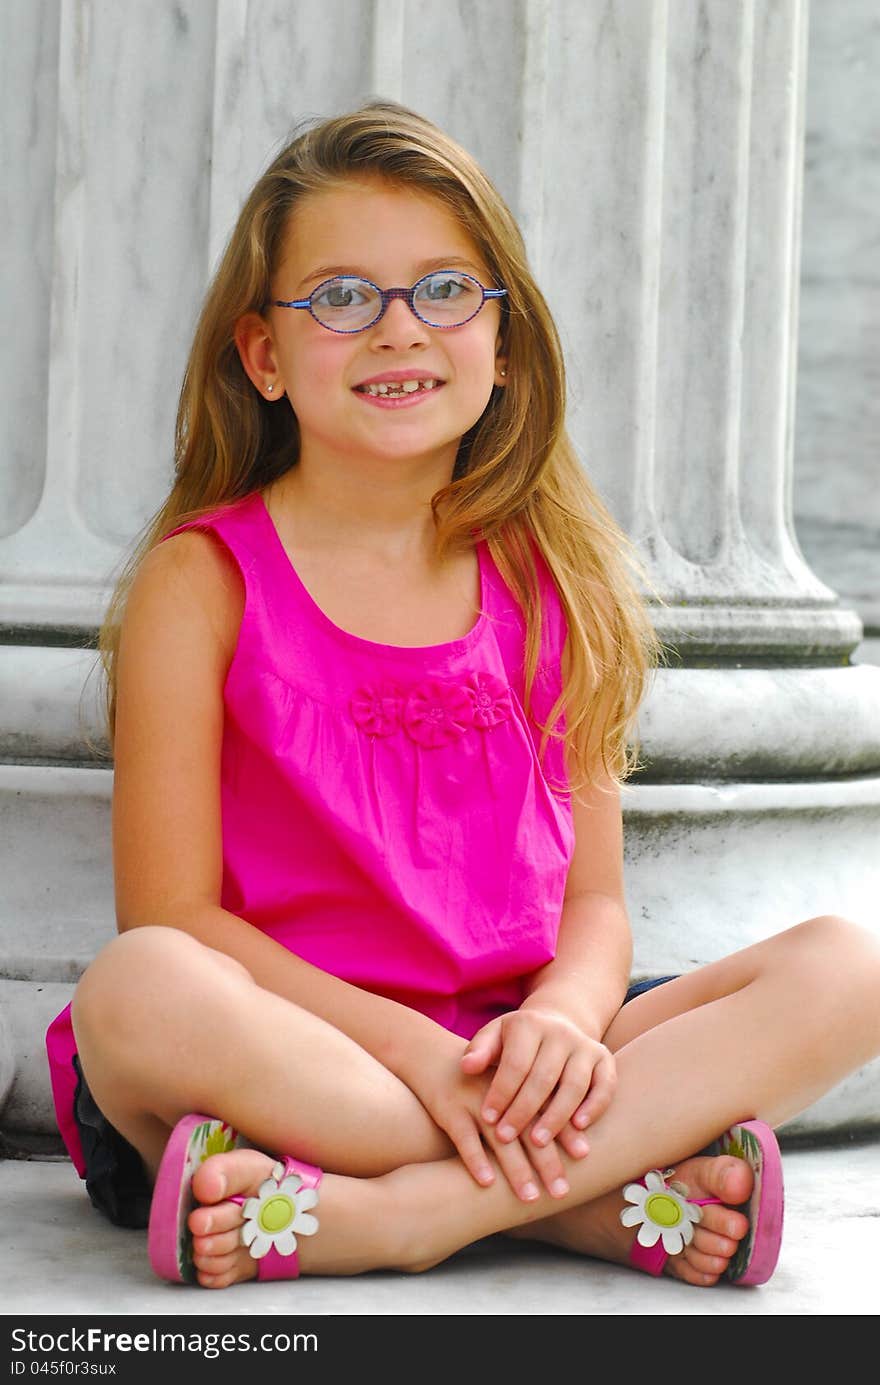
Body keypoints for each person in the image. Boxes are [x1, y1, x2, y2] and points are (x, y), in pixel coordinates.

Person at [46, 100, 880, 1292]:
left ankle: (401, 1216)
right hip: (302, 1051)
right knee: (137, 990)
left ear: (503, 343)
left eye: (443, 290)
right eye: (340, 296)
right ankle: (581, 1200)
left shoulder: (552, 582)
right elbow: (175, 916)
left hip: (515, 1039)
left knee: (852, 965)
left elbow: (593, 904)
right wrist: (424, 1064)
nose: (397, 330)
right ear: (263, 354)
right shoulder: (206, 578)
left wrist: (562, 1021)